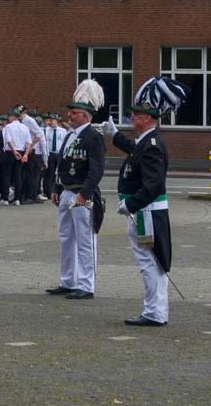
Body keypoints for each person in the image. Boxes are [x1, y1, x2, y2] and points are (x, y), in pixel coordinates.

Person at [101, 77, 185, 326]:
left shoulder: (152, 145)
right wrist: (115, 135)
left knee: (149, 263)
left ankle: (154, 313)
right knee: (151, 262)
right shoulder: (147, 142)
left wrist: (132, 204)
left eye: (135, 115)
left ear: (147, 118)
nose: (131, 118)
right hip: (143, 212)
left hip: (145, 213)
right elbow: (133, 148)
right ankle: (155, 310)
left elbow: (154, 183)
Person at [45, 81, 106, 301]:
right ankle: (67, 281)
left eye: (74, 113)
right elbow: (61, 164)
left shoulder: (93, 137)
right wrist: (56, 187)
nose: (69, 115)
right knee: (66, 239)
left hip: (82, 195)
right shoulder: (69, 135)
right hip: (66, 192)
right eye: (70, 112)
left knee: (85, 241)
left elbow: (96, 170)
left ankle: (86, 285)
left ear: (85, 116)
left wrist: (84, 194)